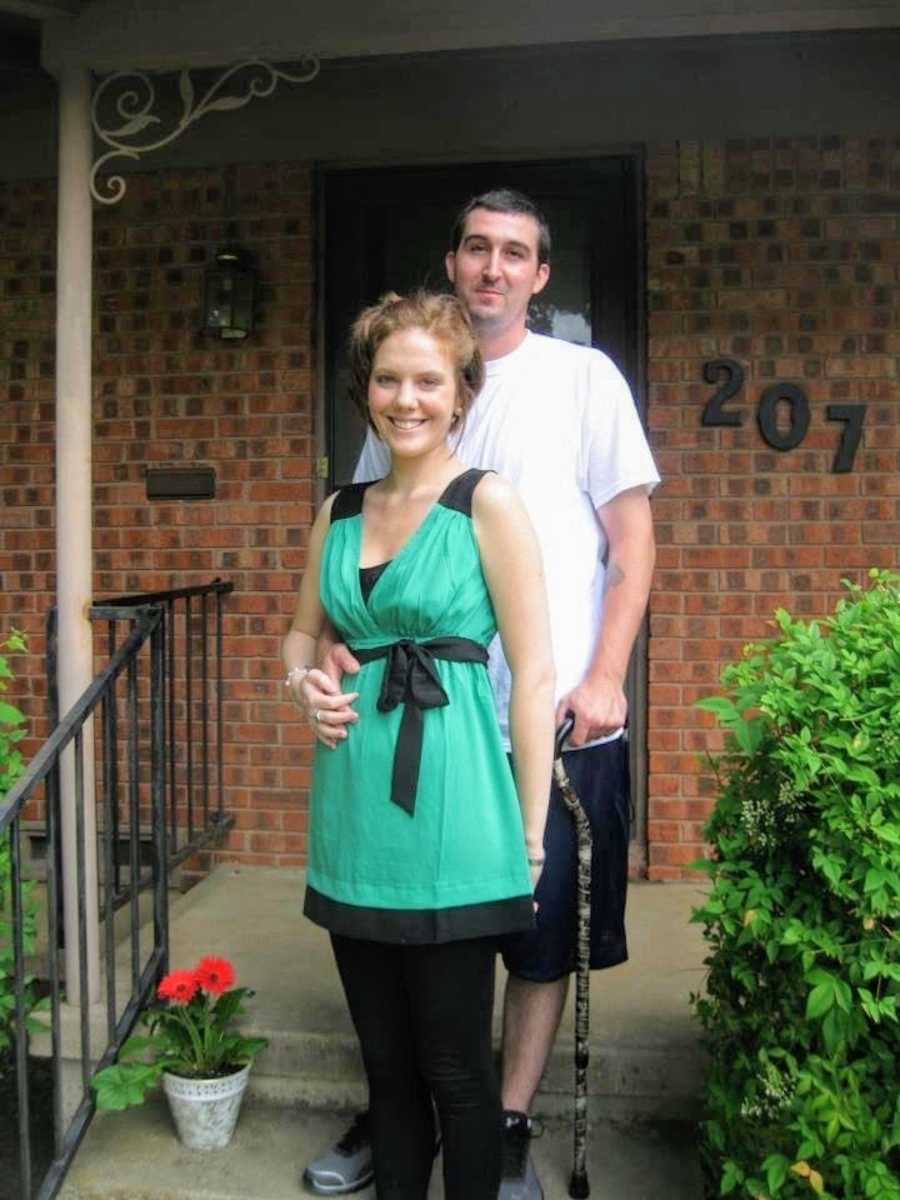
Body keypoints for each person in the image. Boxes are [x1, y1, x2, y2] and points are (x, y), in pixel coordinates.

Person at [301, 189, 659, 1200]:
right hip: (419, 724)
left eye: (515, 254)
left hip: (552, 711)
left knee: (537, 931)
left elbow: (632, 543)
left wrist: (604, 677)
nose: (492, 267)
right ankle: (402, 1111)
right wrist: (326, 651)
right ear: (452, 264)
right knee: (407, 934)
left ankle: (499, 1121)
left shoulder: (584, 379)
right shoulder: (412, 394)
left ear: (541, 277)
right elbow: (365, 545)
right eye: (475, 249)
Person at [283, 289, 555, 1200]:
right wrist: (306, 684)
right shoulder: (339, 509)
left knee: (456, 1073)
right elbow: (298, 634)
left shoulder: (490, 505)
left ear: (461, 393)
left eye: (428, 381)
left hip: (457, 819)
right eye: (390, 379)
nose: (408, 399)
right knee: (388, 1076)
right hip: (353, 818)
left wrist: (531, 828)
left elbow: (536, 672)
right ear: (366, 391)